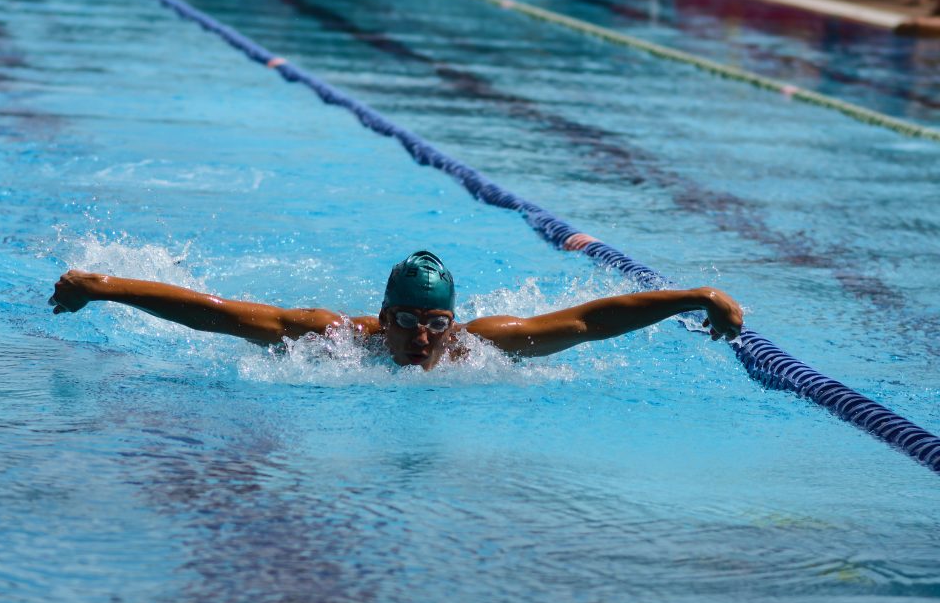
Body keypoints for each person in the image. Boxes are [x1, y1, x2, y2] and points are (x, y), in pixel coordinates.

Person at [49, 250, 743, 370]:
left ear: (452, 322)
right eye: (406, 321)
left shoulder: (478, 347)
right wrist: (105, 286)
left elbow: (592, 320)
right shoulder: (332, 340)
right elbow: (216, 312)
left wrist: (696, 294)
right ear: (382, 319)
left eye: (434, 324)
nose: (420, 338)